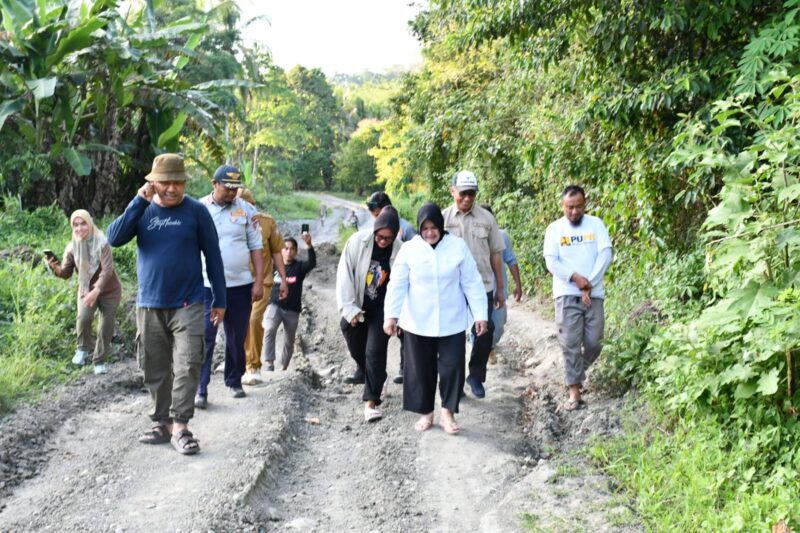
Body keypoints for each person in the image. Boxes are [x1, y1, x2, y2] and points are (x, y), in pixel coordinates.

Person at [107, 153, 226, 455]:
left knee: (188, 363)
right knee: (153, 366)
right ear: (152, 183)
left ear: (185, 183)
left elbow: (213, 257)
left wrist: (221, 299)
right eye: (164, 183)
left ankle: (181, 426)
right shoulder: (142, 210)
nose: (171, 189)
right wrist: (138, 201)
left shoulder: (197, 212)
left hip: (188, 302)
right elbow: (114, 238)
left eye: (178, 183)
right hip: (149, 303)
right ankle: (162, 422)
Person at [384, 202, 488, 435]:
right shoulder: (410, 250)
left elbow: (472, 282)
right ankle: (426, 412)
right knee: (420, 368)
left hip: (452, 320)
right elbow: (397, 284)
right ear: (419, 229)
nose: (429, 232)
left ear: (441, 226)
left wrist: (480, 315)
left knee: (452, 367)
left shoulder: (457, 247)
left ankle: (447, 412)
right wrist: (391, 316)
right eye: (425, 228)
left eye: (434, 227)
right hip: (418, 321)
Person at [195, 165, 264, 407]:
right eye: (227, 188)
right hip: (206, 286)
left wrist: (258, 281)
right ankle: (200, 389)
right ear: (214, 183)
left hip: (240, 285)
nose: (232, 193)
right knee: (205, 336)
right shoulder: (198, 209)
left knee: (237, 337)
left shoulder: (247, 211)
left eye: (236, 188)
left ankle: (234, 380)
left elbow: (256, 247)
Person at [543, 185, 612, 411]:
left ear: (585, 205)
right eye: (569, 207)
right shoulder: (554, 229)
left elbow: (605, 254)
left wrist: (589, 282)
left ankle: (574, 373)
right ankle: (574, 391)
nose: (574, 212)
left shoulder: (596, 224)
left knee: (595, 342)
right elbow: (551, 261)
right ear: (562, 206)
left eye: (578, 207)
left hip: (594, 294)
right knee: (570, 343)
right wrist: (575, 278)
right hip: (566, 294)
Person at [442, 170, 505, 399]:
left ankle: (475, 375)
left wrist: (500, 288)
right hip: (453, 288)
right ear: (453, 192)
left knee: (484, 333)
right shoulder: (443, 219)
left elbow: (496, 254)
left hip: (483, 286)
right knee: (454, 337)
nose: (467, 198)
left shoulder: (487, 219)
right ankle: (455, 385)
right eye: (463, 193)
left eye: (472, 194)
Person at [336, 206, 402, 422]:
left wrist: (398, 316)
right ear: (375, 231)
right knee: (356, 346)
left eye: (388, 238)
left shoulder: (400, 250)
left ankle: (370, 402)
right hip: (358, 303)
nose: (383, 241)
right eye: (381, 237)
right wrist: (349, 309)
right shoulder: (357, 242)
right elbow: (344, 274)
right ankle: (377, 377)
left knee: (374, 351)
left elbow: (404, 283)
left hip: (383, 309)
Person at [47, 209, 122, 375]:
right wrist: (55, 268)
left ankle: (99, 361)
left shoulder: (102, 243)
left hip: (109, 290)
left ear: (90, 223)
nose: (80, 228)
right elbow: (66, 274)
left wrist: (97, 290)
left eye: (83, 224)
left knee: (106, 325)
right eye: (76, 225)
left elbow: (107, 271)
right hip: (86, 289)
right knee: (84, 317)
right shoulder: (72, 248)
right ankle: (82, 348)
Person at [238, 187, 288, 386]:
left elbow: (277, 252)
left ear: (253, 205)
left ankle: (254, 366)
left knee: (252, 320)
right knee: (238, 324)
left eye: (246, 205)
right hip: (236, 282)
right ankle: (240, 362)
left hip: (263, 281)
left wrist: (283, 279)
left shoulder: (266, 223)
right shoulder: (229, 222)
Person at [365, 191, 416, 384]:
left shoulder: (407, 229)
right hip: (377, 290)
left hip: (400, 288)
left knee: (404, 332)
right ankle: (371, 372)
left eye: (376, 212)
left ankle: (405, 368)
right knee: (374, 340)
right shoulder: (374, 229)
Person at [263, 234, 316, 371]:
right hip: (275, 305)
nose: (289, 251)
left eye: (292, 249)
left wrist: (309, 244)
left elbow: (312, 263)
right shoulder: (274, 265)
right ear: (281, 250)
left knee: (289, 341)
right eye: (285, 248)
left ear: (296, 251)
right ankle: (269, 362)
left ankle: (284, 366)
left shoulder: (299, 267)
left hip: (292, 310)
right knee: (269, 328)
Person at [479, 205, 523, 363]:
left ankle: (490, 346)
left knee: (498, 325)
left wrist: (518, 284)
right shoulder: (470, 237)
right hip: (478, 291)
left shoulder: (502, 236)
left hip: (498, 290)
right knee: (477, 323)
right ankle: (481, 352)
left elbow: (511, 260)